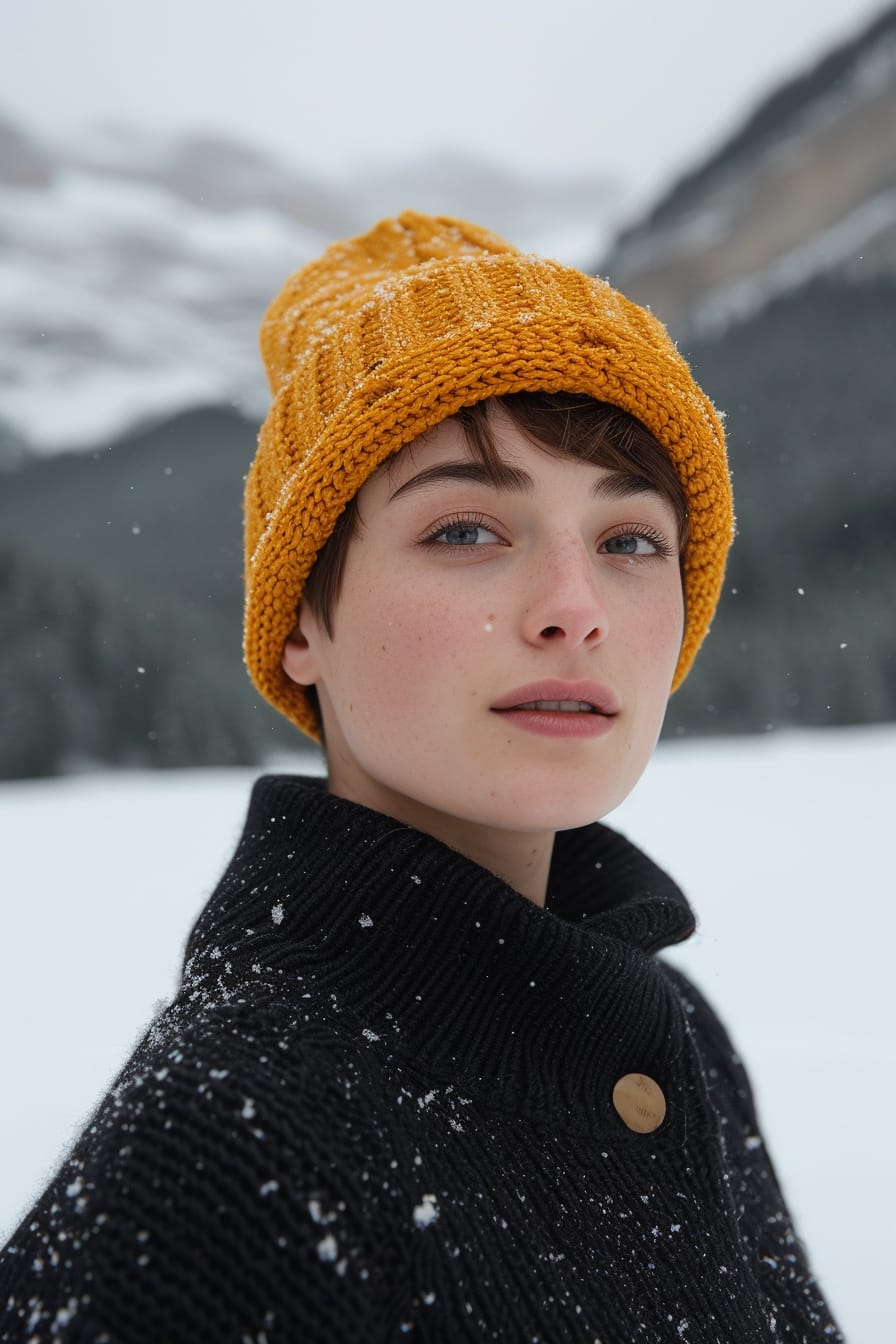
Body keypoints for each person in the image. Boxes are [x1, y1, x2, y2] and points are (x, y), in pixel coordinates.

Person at [0, 212, 842, 1342]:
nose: (572, 610)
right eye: (464, 531)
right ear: (303, 618)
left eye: (629, 541)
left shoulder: (667, 1025)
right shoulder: (222, 1143)